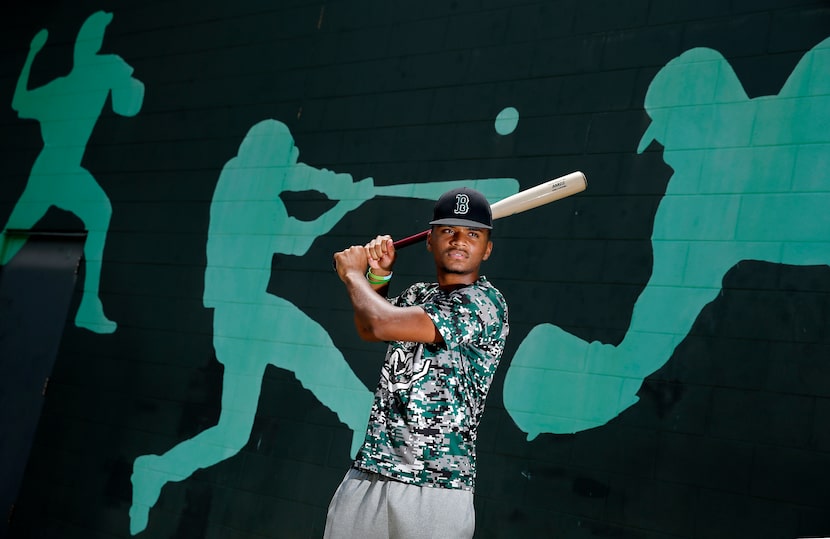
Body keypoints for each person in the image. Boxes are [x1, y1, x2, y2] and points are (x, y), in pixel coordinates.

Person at [327, 187, 509, 539]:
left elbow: (382, 321)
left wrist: (353, 274)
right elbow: (369, 327)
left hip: (436, 488)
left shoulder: (486, 303)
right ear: (430, 241)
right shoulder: (417, 295)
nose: (459, 241)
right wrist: (377, 276)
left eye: (473, 233)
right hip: (371, 472)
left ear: (487, 249)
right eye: (448, 231)